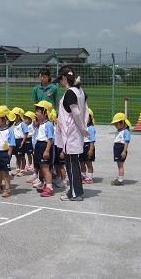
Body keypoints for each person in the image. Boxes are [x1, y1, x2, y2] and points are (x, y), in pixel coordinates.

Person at [53, 65, 89, 201]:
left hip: (71, 132)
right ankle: (77, 190)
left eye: (60, 79)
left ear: (64, 78)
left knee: (71, 163)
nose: (60, 83)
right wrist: (84, 126)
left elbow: (76, 112)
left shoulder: (70, 93)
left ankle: (75, 193)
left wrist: (82, 128)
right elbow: (86, 110)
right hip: (75, 131)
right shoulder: (80, 91)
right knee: (73, 162)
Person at [32, 101, 55, 197]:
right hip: (39, 146)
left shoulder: (48, 124)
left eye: (38, 111)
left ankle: (49, 187)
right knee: (41, 167)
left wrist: (46, 151)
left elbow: (50, 139)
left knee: (45, 168)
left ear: (45, 113)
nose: (36, 113)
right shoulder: (41, 123)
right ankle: (45, 184)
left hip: (44, 146)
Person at [111, 113, 131, 186]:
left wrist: (124, 151)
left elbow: (126, 142)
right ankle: (119, 177)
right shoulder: (119, 131)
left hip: (121, 148)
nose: (115, 126)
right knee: (118, 164)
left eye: (117, 124)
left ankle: (120, 180)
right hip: (117, 147)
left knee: (120, 165)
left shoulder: (125, 131)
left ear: (122, 123)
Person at [79, 108, 96, 184]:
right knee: (81, 162)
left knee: (88, 163)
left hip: (88, 145)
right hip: (82, 145)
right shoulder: (82, 127)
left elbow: (92, 140)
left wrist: (91, 149)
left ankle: (90, 177)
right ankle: (83, 175)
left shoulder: (91, 128)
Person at [11, 107, 28, 177]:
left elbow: (25, 133)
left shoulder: (22, 124)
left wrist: (23, 141)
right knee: (17, 156)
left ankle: (23, 170)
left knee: (22, 156)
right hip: (15, 141)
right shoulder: (14, 124)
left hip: (20, 140)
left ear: (18, 116)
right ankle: (18, 169)